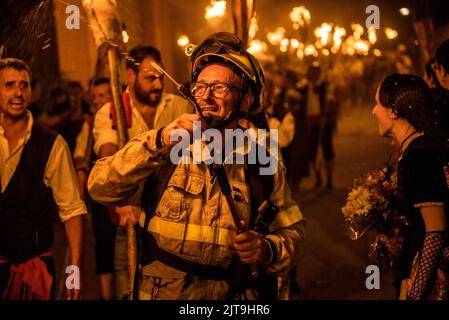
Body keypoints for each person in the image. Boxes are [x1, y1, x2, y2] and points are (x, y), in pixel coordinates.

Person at [87, 32, 306, 300]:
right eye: (200, 87)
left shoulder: (263, 158)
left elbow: (293, 230)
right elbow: (99, 188)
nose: (206, 97)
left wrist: (267, 249)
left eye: (220, 88)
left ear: (246, 100)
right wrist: (159, 139)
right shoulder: (165, 146)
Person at [91, 45, 193, 299]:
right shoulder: (111, 110)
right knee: (128, 291)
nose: (158, 84)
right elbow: (108, 156)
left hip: (173, 225)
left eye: (161, 77)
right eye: (150, 78)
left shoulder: (180, 107)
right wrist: (123, 200)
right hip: (129, 223)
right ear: (131, 76)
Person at [0, 58, 86, 300]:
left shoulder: (52, 144)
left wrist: (74, 272)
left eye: (24, 85)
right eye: (9, 85)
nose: (18, 92)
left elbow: (72, 212)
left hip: (34, 274)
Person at [372, 73, 449, 299]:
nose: (373, 111)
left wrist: (415, 293)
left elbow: (435, 231)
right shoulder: (413, 150)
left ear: (394, 111)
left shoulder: (419, 155)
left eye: (377, 103)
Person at [73, 77, 115, 300]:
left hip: (127, 194)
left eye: (102, 96)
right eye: (95, 96)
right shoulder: (89, 123)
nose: (97, 101)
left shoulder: (120, 118)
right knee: (103, 244)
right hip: (100, 196)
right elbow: (80, 152)